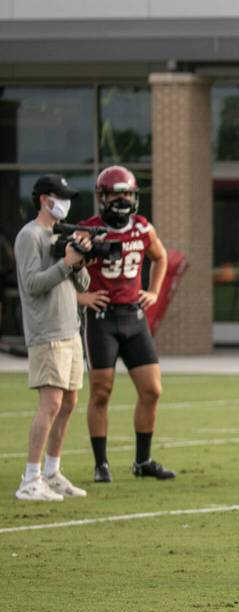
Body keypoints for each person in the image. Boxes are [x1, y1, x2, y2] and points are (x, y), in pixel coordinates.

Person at [78, 166, 175, 483]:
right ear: (102, 197)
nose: (122, 200)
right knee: (101, 393)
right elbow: (63, 269)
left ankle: (142, 461)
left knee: (152, 390)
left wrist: (155, 291)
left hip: (134, 317)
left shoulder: (143, 228)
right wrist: (82, 297)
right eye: (116, 194)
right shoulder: (88, 230)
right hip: (102, 319)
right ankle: (101, 464)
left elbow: (161, 257)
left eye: (127, 194)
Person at [14, 174, 95, 502]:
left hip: (69, 329)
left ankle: (51, 472)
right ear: (44, 199)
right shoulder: (29, 235)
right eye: (59, 197)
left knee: (69, 402)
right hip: (46, 332)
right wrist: (66, 262)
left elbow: (84, 285)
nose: (64, 202)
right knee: (50, 404)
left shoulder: (61, 234)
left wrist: (79, 262)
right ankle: (30, 479)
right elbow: (32, 284)